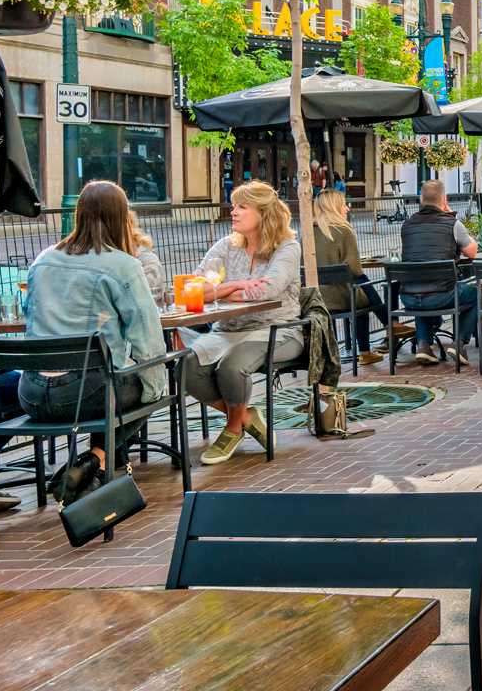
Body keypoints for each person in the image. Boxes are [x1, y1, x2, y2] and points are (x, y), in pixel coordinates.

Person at [20, 181, 167, 497]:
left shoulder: (43, 259)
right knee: (149, 385)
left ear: (79, 213)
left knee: (115, 384)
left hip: (30, 392)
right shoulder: (124, 265)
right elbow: (149, 340)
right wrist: (156, 388)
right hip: (87, 392)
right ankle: (94, 460)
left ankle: (93, 464)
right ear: (121, 216)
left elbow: (30, 319)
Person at [180, 181, 302, 465]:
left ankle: (233, 429)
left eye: (241, 207)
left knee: (232, 368)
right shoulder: (225, 246)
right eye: (234, 205)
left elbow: (267, 290)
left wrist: (218, 292)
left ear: (263, 214)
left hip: (276, 330)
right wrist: (235, 285)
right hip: (227, 329)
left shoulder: (287, 247)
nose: (232, 212)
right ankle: (246, 417)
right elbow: (191, 290)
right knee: (184, 367)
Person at [397, 179, 478, 367]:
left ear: (421, 200)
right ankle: (459, 343)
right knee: (475, 293)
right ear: (445, 200)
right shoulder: (452, 224)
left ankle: (424, 345)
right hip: (442, 295)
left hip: (408, 297)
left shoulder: (407, 225)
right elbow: (471, 252)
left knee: (420, 285)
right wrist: (453, 219)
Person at [313, 188, 389, 365]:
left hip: (316, 298)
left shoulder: (309, 232)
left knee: (360, 289)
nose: (347, 209)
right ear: (333, 207)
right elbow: (355, 269)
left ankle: (389, 326)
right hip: (341, 298)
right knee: (361, 292)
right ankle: (372, 343)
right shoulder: (343, 230)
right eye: (344, 205)